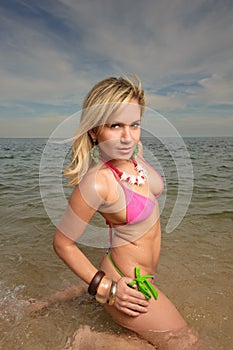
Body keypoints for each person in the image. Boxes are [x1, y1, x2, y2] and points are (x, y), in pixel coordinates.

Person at [52, 76, 201, 349]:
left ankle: (72, 297)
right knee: (186, 342)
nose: (127, 136)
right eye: (115, 125)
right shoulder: (98, 182)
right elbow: (63, 244)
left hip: (138, 271)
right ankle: (89, 339)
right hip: (128, 282)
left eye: (134, 125)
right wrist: (107, 288)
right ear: (94, 130)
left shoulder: (135, 156)